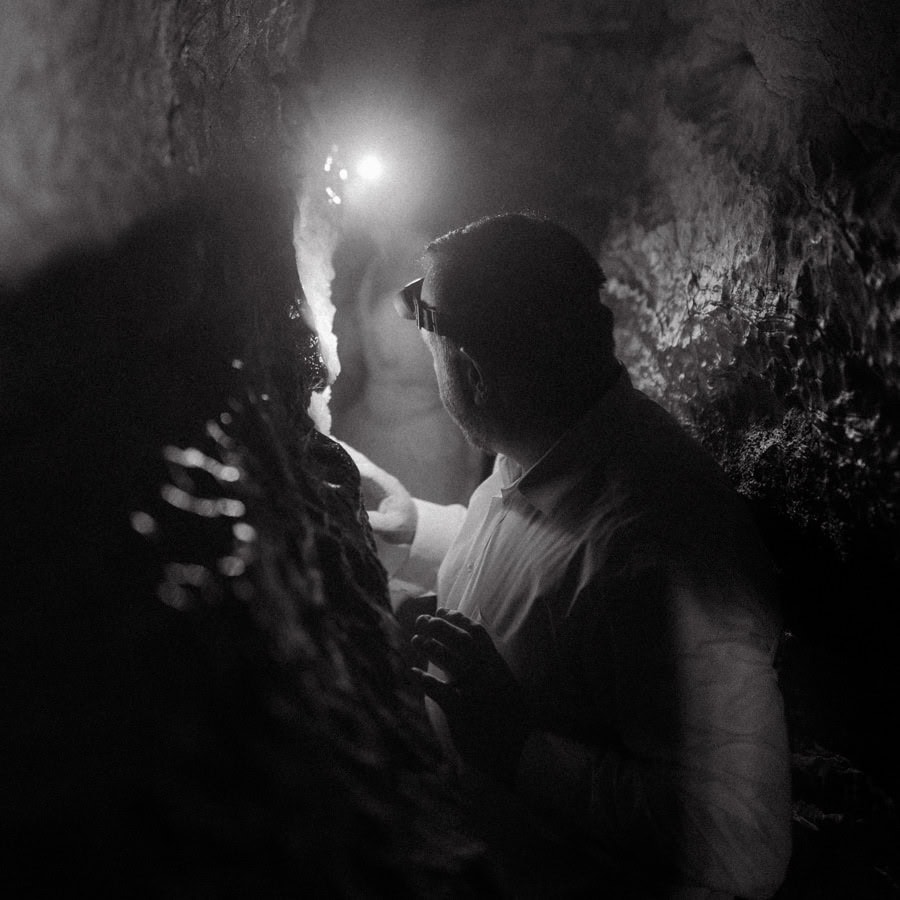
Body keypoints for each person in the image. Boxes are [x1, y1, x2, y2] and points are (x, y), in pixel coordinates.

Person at [345, 212, 792, 899]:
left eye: (422, 316)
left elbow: (744, 839)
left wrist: (521, 748)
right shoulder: (546, 443)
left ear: (473, 371)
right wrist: (414, 533)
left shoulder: (658, 546)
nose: (411, 329)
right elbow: (543, 580)